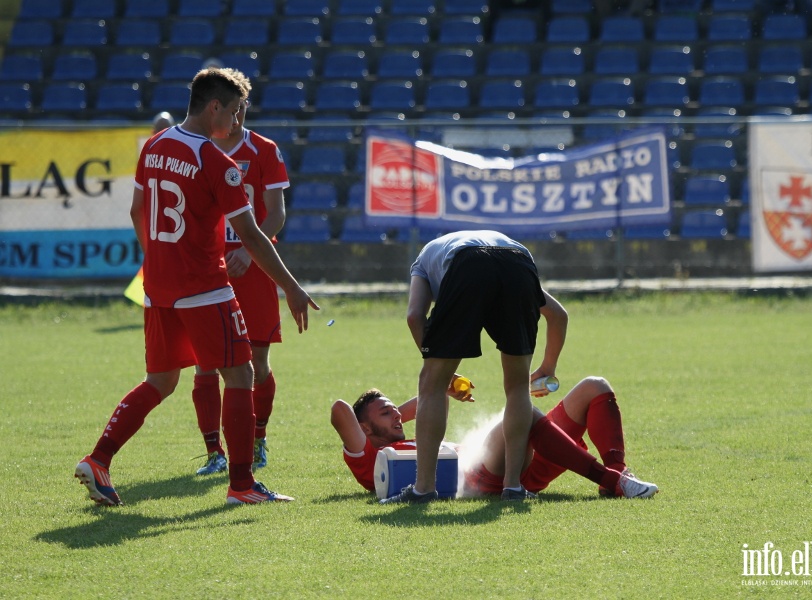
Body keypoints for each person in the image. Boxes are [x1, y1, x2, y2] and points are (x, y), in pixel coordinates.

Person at [74, 68, 319, 506]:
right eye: (235, 110)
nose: (237, 121)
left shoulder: (154, 146)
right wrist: (293, 288)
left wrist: (160, 258)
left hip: (158, 286)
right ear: (215, 107)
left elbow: (136, 211)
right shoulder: (215, 162)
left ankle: (98, 460)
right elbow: (252, 236)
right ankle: (242, 485)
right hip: (205, 285)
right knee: (241, 372)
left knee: (160, 380)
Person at [385, 230, 568, 504]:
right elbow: (558, 315)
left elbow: (414, 316)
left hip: (467, 263)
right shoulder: (506, 249)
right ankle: (513, 486)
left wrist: (439, 368)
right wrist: (548, 367)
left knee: (431, 385)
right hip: (519, 263)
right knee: (518, 387)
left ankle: (423, 489)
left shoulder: (423, 260)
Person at [330, 375, 658, 500]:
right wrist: (385, 419)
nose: (398, 416)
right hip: (488, 475)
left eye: (394, 411)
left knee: (594, 386)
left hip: (525, 456)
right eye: (385, 414)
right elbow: (340, 409)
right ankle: (611, 479)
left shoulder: (415, 438)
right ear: (367, 430)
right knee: (523, 410)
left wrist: (394, 413)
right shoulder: (371, 460)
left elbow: (436, 399)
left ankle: (617, 473)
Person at [190, 68, 290, 477]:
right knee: (205, 363)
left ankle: (258, 440)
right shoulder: (197, 149)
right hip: (209, 268)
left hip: (253, 267)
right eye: (235, 108)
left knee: (256, 361)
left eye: (244, 108)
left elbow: (278, 213)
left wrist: (251, 251)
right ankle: (214, 453)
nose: (239, 115)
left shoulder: (264, 150)